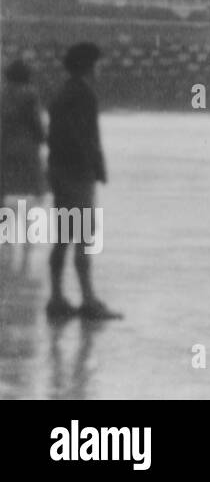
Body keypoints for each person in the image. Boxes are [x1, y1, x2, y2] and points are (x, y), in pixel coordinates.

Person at [46, 42, 121, 321]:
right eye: (97, 64)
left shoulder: (62, 91)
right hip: (77, 174)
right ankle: (88, 300)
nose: (100, 68)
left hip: (59, 171)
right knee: (83, 238)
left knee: (64, 237)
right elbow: (85, 137)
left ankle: (56, 297)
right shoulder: (84, 94)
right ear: (88, 65)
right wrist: (94, 167)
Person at [1, 60, 46, 205]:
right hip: (27, 146)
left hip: (5, 146)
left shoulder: (2, 95)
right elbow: (35, 122)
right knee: (31, 192)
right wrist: (42, 137)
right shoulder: (30, 94)